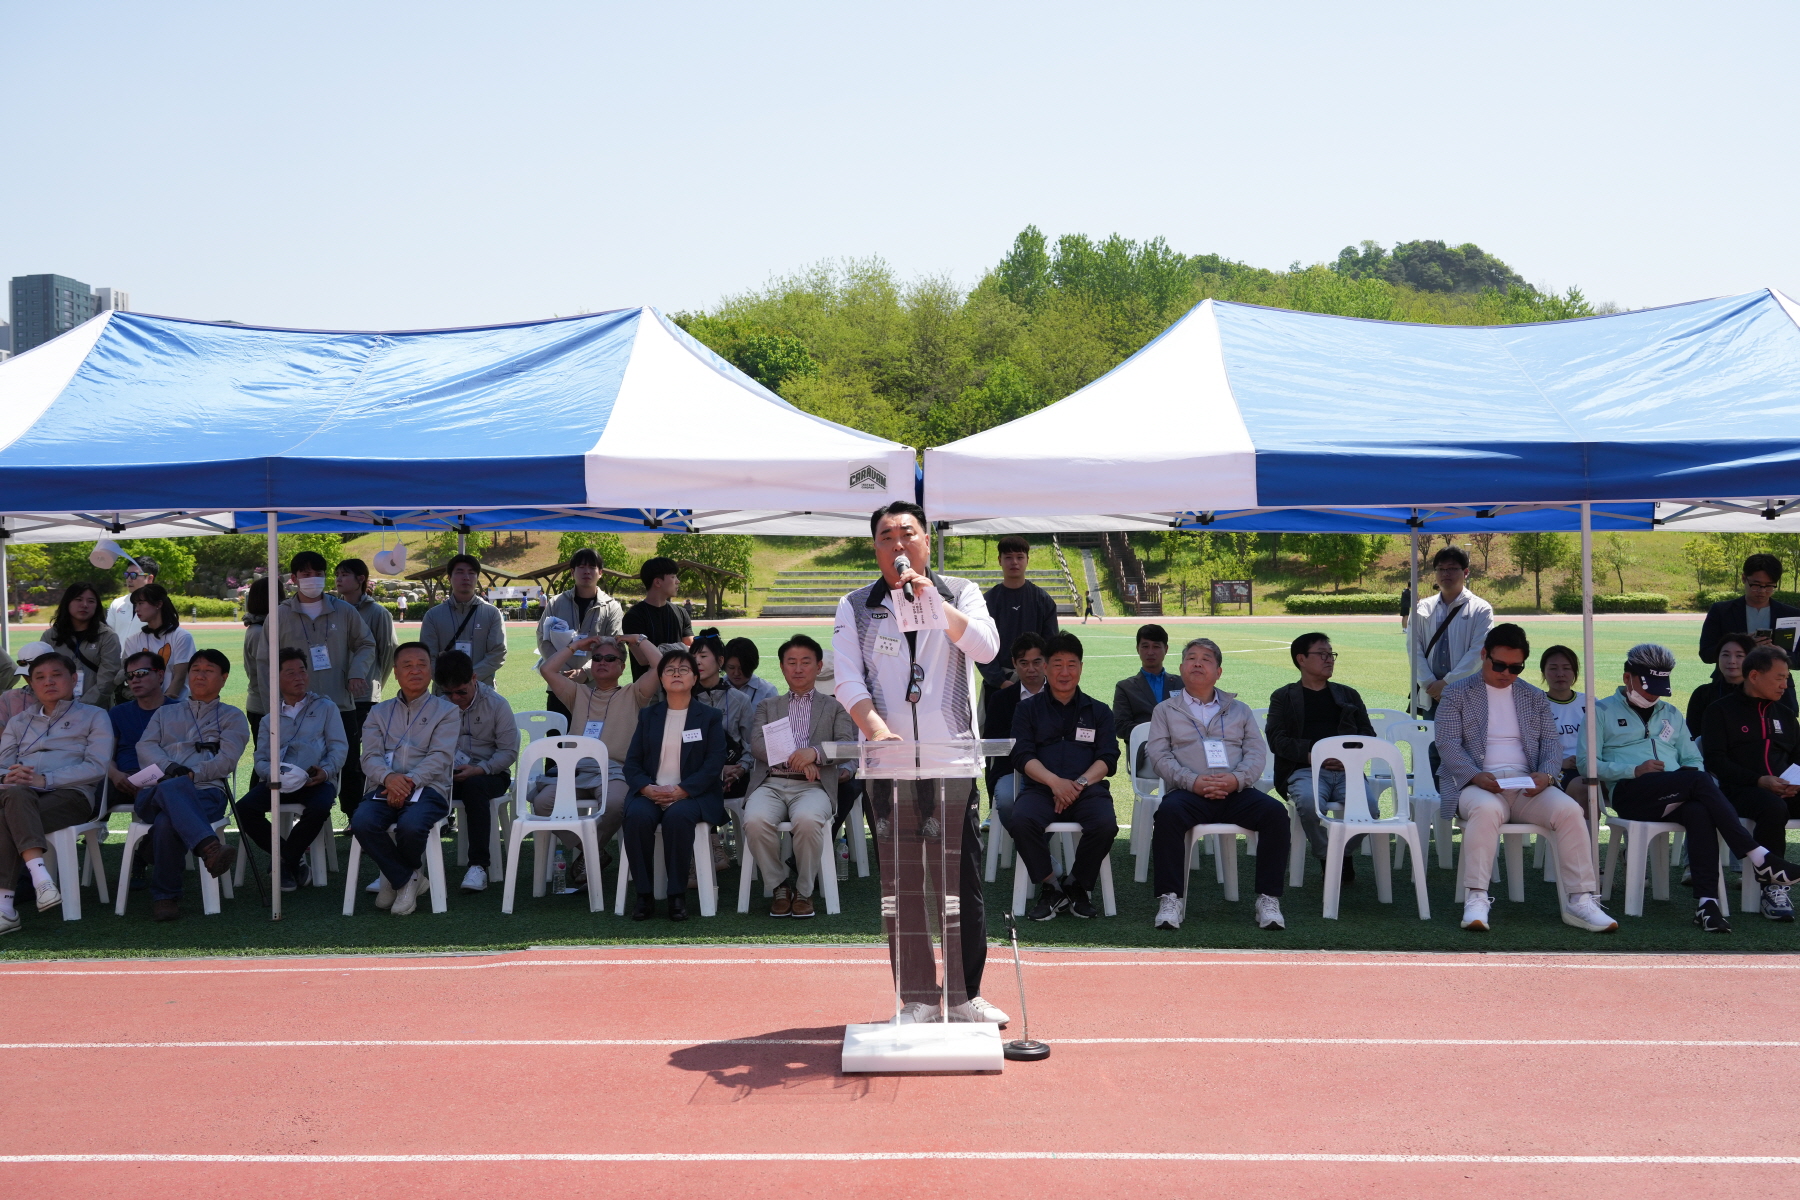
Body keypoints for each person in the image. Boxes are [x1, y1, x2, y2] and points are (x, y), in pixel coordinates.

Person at [832, 500, 1007, 1026]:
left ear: (927, 541)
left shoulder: (960, 593)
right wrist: (879, 732)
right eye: (887, 537)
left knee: (961, 882)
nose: (899, 545)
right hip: (888, 768)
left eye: (908, 533)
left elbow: (987, 649)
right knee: (904, 885)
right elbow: (847, 680)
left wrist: (936, 605)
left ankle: (963, 995)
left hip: (951, 761)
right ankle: (917, 998)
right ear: (876, 548)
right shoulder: (856, 604)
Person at [1434, 623, 1616, 933]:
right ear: (1484, 655)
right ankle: (1476, 897)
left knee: (1571, 810)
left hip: (1525, 785)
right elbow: (1447, 744)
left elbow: (1551, 744)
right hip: (1474, 783)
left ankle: (1580, 900)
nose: (1506, 672)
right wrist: (1477, 776)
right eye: (1500, 664)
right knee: (1487, 810)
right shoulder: (1456, 692)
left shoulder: (1532, 696)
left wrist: (1546, 775)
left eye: (1515, 667)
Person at [1602, 643, 1799, 930]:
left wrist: (1684, 778)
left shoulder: (1670, 712)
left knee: (1699, 809)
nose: (1653, 693)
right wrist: (1632, 769)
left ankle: (1707, 905)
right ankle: (1759, 857)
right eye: (1780, 677)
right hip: (1632, 791)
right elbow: (1587, 765)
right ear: (1627, 678)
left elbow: (1693, 758)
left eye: (1787, 679)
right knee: (1706, 784)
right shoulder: (1601, 711)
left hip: (1676, 789)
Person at [1147, 637, 1290, 931]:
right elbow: (1159, 755)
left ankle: (1268, 898)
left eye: (1206, 659)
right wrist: (1193, 781)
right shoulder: (1165, 710)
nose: (1197, 663)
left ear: (1219, 671)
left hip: (1236, 792)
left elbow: (1256, 752)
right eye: (1191, 658)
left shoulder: (1240, 709)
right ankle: (1171, 898)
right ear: (1181, 667)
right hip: (1188, 792)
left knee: (1276, 814)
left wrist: (1235, 780)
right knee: (1168, 814)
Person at [742, 635, 856, 918]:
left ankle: (804, 891)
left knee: (807, 821)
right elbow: (757, 744)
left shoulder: (834, 707)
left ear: (818, 667)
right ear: (781, 667)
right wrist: (797, 758)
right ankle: (780, 885)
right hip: (770, 783)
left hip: (813, 786)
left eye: (806, 662)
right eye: (791, 662)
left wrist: (814, 754)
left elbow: (846, 745)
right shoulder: (768, 706)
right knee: (754, 821)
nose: (798, 668)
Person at [1008, 632, 1119, 921]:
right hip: (1042, 788)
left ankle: (1075, 883)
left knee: (1105, 824)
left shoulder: (1099, 711)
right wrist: (1055, 783)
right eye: (1057, 664)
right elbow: (1021, 755)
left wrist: (1078, 784)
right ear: (1045, 667)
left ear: (1081, 667)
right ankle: (1051, 884)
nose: (1065, 672)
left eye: (1072, 664)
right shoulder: (1027, 709)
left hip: (1087, 789)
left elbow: (1108, 758)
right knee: (1020, 820)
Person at [536, 632, 663, 881]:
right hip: (577, 771)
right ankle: (593, 851)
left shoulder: (634, 694)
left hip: (615, 771)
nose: (602, 662)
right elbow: (548, 670)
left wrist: (638, 639)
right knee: (542, 804)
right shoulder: (578, 693)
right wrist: (575, 646)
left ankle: (589, 852)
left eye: (609, 658)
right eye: (597, 658)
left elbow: (660, 666)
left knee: (616, 804)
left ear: (622, 666)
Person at [133, 649, 250, 921]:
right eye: (196, 669)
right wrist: (171, 769)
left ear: (224, 678)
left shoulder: (233, 717)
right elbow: (145, 746)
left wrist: (193, 775)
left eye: (208, 670)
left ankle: (165, 897)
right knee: (170, 786)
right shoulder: (165, 714)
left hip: (207, 792)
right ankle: (209, 847)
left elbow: (228, 760)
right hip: (154, 792)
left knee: (165, 823)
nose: (200, 675)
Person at [0, 652, 113, 931]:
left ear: (74, 679)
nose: (48, 682)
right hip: (19, 793)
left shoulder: (95, 715)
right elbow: (2, 764)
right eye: (40, 677)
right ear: (31, 684)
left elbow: (97, 766)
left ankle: (5, 906)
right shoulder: (19, 721)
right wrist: (10, 774)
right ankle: (42, 880)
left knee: (7, 813)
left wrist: (44, 779)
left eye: (56, 675)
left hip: (71, 795)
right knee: (15, 795)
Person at [351, 643, 460, 917]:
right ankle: (407, 878)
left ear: (431, 671)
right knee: (362, 822)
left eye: (422, 664)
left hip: (429, 788)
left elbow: (440, 756)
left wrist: (408, 782)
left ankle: (395, 878)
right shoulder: (378, 712)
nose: (415, 670)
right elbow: (370, 757)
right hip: (384, 786)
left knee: (411, 826)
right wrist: (389, 779)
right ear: (395, 673)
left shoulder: (446, 711)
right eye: (407, 665)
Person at [1263, 632, 1377, 881]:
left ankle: (1342, 853)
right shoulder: (1283, 696)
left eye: (1331, 654)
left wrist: (1347, 758)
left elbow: (1368, 734)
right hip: (1304, 769)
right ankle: (1327, 856)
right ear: (1301, 659)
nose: (1329, 660)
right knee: (1309, 803)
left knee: (1369, 809)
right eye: (1322, 654)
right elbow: (1276, 739)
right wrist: (1315, 755)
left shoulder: (1348, 695)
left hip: (1348, 770)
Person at [621, 650, 726, 921]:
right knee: (636, 816)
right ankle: (644, 895)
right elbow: (632, 763)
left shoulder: (710, 717)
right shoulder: (648, 716)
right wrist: (646, 788)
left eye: (683, 669)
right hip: (651, 791)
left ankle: (676, 895)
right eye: (669, 670)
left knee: (678, 818)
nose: (676, 674)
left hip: (693, 795)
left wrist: (684, 790)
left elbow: (714, 764)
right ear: (661, 678)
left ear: (694, 678)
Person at [1701, 644, 1800, 922]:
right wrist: (1759, 780)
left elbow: (1798, 758)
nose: (1785, 684)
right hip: (1739, 792)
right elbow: (1715, 762)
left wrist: (1795, 783)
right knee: (1772, 807)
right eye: (1779, 677)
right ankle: (1773, 888)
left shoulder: (1785, 715)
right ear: (1754, 676)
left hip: (1785, 790)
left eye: (1787, 678)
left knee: (1776, 803)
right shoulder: (1720, 711)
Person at [235, 648, 347, 892]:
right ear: (276, 678)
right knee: (244, 809)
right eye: (290, 672)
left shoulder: (326, 708)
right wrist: (272, 775)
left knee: (319, 808)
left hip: (317, 780)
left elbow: (339, 748)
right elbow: (261, 759)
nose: (299, 677)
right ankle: (290, 858)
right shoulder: (269, 719)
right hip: (279, 782)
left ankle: (283, 862)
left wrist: (325, 772)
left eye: (302, 671)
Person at [979, 536, 1061, 803]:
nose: (1014, 562)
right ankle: (996, 804)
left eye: (1019, 557)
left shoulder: (1041, 599)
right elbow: (979, 646)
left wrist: (1037, 678)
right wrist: (1000, 681)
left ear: (1027, 560)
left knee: (1043, 741)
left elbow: (1051, 644)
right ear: (1000, 561)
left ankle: (1043, 796)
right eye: (1008, 557)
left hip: (1037, 686)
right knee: (995, 746)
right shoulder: (987, 601)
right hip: (997, 687)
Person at [437, 649, 517, 892]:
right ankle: (408, 866)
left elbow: (509, 753)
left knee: (474, 788)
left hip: (489, 774)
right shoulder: (437, 706)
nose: (454, 699)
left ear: (474, 679)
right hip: (446, 773)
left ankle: (478, 866)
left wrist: (479, 769)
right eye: (448, 693)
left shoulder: (497, 705)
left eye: (461, 691)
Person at [276, 551, 375, 722]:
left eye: (318, 574)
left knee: (346, 749)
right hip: (295, 708)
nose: (313, 578)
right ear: (294, 578)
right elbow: (264, 661)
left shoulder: (345, 611)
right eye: (306, 574)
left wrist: (357, 672)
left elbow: (366, 644)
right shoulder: (280, 615)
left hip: (340, 705)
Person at [336, 557, 397, 813]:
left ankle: (359, 811)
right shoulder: (334, 610)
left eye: (345, 575)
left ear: (361, 579)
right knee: (339, 757)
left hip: (364, 698)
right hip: (336, 696)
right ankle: (347, 809)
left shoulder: (378, 613)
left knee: (361, 758)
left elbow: (388, 652)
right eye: (337, 574)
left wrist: (375, 685)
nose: (338, 579)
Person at [536, 547, 625, 719]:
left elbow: (615, 646)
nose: (586, 571)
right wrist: (563, 672)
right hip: (559, 684)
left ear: (600, 573)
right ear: (572, 572)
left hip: (597, 686)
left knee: (594, 741)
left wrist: (585, 672)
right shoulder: (556, 603)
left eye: (592, 567)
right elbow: (543, 639)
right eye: (581, 567)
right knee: (558, 741)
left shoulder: (612, 607)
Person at [1409, 546, 1494, 717]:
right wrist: (1429, 683)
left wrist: (1448, 683)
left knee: (1470, 743)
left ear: (1466, 572)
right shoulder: (1422, 607)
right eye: (1441, 569)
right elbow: (1413, 649)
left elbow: (1479, 652)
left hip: (1468, 694)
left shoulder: (1480, 609)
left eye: (1452, 568)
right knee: (1432, 742)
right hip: (1432, 694)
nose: (1445, 573)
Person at [987, 633, 1047, 836]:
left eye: (1037, 662)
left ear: (1045, 661)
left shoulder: (1061, 693)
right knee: (1005, 800)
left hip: (1056, 769)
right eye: (1024, 663)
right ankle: (1037, 854)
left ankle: (1033, 855)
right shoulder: (1000, 699)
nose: (1031, 669)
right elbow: (990, 745)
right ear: (1014, 663)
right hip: (1011, 770)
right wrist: (1026, 737)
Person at [420, 554, 506, 688]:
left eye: (471, 573)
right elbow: (427, 656)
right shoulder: (433, 615)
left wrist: (467, 678)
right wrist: (447, 681)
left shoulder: (492, 613)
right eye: (459, 572)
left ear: (477, 578)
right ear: (449, 578)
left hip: (482, 690)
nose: (466, 577)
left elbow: (498, 653)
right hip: (445, 692)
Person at [691, 629, 754, 801]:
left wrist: (740, 769)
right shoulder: (684, 699)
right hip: (694, 776)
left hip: (735, 775)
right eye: (693, 656)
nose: (697, 661)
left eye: (703, 656)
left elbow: (751, 745)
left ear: (720, 661)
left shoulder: (740, 700)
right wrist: (717, 770)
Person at [43, 581, 122, 709]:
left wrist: (79, 707)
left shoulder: (107, 637)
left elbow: (108, 678)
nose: (84, 605)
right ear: (67, 602)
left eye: (91, 601)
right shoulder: (51, 636)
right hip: (56, 708)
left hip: (95, 710)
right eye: (78, 599)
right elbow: (42, 673)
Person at [1112, 623, 1174, 775]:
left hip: (1179, 750)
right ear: (1137, 649)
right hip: (1145, 753)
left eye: (1156, 646)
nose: (1150, 652)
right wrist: (1154, 732)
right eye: (1145, 646)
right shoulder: (1125, 687)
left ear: (1166, 649)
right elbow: (1120, 726)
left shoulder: (1182, 684)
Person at [621, 557, 692, 679]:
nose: (678, 581)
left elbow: (691, 650)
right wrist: (680, 649)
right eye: (673, 577)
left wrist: (657, 651)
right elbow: (643, 659)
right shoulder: (633, 616)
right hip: (648, 692)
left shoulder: (681, 612)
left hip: (679, 687)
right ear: (658, 582)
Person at [122, 583, 195, 701]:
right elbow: (132, 677)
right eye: (135, 605)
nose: (136, 609)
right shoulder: (133, 641)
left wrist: (164, 705)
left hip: (176, 707)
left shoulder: (181, 637)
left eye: (141, 603)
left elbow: (180, 677)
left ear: (159, 604)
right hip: (144, 707)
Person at [241, 577, 282, 751]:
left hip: (266, 705)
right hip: (264, 706)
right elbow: (265, 676)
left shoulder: (262, 627)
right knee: (267, 761)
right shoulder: (259, 632)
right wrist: (274, 712)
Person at [1688, 633, 1755, 736]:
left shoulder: (1762, 694)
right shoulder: (1702, 694)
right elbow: (1693, 734)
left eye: (1739, 655)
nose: (1731, 661)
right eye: (1725, 655)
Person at [1540, 645, 1586, 790]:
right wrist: (1559, 762)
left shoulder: (1590, 701)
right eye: (1553, 668)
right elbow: (1529, 749)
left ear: (1575, 672)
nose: (1560, 674)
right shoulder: (1537, 705)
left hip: (1591, 765)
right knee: (1584, 788)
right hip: (1558, 768)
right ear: (1543, 672)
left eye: (1566, 668)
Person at [104, 554, 158, 643]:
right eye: (127, 574)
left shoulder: (159, 606)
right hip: (118, 657)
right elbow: (108, 636)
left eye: (133, 575)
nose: (129, 579)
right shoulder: (117, 603)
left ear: (149, 578)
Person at [723, 637, 779, 710]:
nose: (736, 673)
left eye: (741, 668)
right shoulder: (715, 688)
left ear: (752, 665)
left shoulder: (768, 692)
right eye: (731, 667)